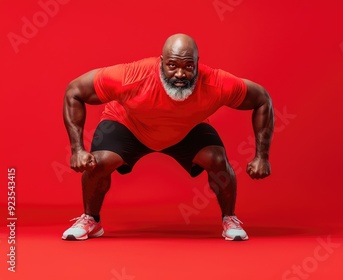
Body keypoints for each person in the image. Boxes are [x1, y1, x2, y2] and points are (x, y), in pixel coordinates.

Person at [61, 33, 274, 241]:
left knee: (217, 160)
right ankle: (91, 219)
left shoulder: (216, 83)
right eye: (172, 65)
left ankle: (230, 218)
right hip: (130, 125)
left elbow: (262, 99)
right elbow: (74, 91)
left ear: (197, 64)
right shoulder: (131, 76)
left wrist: (261, 156)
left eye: (188, 66)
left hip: (185, 128)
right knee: (98, 164)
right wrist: (77, 150)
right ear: (161, 62)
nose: (180, 74)